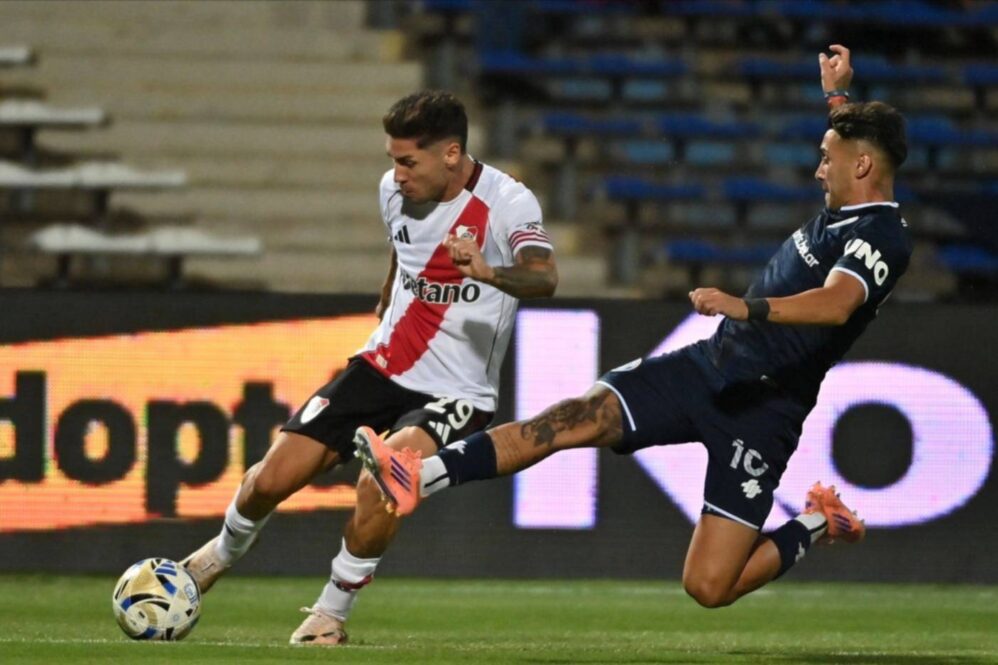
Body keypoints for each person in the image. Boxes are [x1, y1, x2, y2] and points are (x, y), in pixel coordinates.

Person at [357, 45, 912, 608]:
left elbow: (836, 304)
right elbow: (855, 140)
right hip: (708, 366)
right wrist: (837, 96)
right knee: (573, 419)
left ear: (862, 166)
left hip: (766, 410)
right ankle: (418, 476)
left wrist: (746, 308)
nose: (819, 169)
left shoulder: (883, 237)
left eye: (827, 159)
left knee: (709, 587)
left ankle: (818, 522)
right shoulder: (847, 201)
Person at [180, 90, 558, 644]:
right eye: (392, 160)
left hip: (457, 390)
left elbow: (544, 276)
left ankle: (330, 616)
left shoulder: (508, 202)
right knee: (270, 479)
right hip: (381, 365)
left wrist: (488, 272)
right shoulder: (392, 192)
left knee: (382, 479)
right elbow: (402, 249)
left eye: (409, 162)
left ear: (451, 154)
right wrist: (387, 292)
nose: (397, 174)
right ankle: (217, 556)